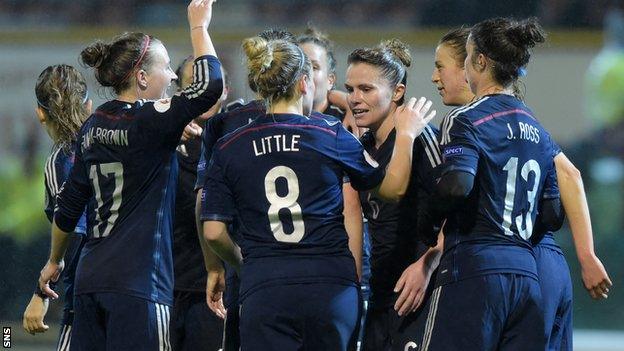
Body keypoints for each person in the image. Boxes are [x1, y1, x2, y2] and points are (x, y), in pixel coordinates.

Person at [201, 36, 435, 351]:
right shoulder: (331, 134)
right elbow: (392, 190)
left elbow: (213, 232)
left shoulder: (231, 145)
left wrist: (244, 262)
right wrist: (406, 135)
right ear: (304, 83)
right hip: (330, 288)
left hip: (266, 286)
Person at [36, 1, 223, 350]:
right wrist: (199, 27)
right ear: (140, 77)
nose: (170, 76)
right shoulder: (151, 120)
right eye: (165, 68)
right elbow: (210, 86)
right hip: (140, 288)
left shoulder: (92, 126)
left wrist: (53, 261)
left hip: (91, 284)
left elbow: (68, 208)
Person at [424, 26, 612, 351]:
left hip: (477, 266)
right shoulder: (536, 127)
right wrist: (585, 255)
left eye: (466, 58)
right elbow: (553, 213)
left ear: (480, 62)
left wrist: (428, 213)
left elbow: (457, 185)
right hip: (530, 273)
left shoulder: (464, 119)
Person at [343, 39, 442, 351]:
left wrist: (428, 262)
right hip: (383, 291)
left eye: (366, 89)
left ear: (397, 92)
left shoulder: (420, 137)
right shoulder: (363, 146)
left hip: (420, 291)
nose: (355, 99)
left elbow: (462, 210)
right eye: (350, 90)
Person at [22, 64, 91, 351]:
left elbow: (73, 233)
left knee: (8, 341)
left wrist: (41, 293)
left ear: (40, 113)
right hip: (146, 289)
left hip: (87, 296)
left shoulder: (60, 162)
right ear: (89, 105)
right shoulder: (119, 141)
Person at [170, 55, 227, 351]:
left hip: (217, 289)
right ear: (180, 92)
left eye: (210, 86)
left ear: (225, 91)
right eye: (194, 85)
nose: (203, 93)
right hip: (163, 285)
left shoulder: (237, 140)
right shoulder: (160, 139)